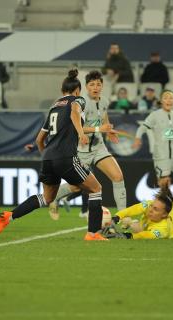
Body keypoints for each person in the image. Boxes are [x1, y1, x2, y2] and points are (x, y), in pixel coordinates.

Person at [0, 69, 108, 241]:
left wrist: (47, 156)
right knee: (96, 188)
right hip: (65, 157)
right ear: (77, 90)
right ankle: (93, 233)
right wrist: (81, 133)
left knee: (47, 198)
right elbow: (74, 113)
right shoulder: (78, 100)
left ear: (62, 92)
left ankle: (9, 216)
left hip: (48, 158)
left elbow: (40, 139)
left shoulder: (54, 107)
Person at [48, 70, 126, 220]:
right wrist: (95, 130)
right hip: (81, 152)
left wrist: (107, 129)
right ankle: (55, 197)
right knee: (77, 187)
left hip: (99, 148)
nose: (95, 87)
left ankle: (123, 218)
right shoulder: (81, 103)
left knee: (118, 177)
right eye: (92, 84)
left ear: (102, 86)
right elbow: (74, 123)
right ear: (86, 87)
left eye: (98, 84)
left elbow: (103, 117)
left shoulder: (104, 101)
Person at [133, 90, 173, 203]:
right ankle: (159, 212)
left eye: (171, 98)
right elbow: (142, 127)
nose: (169, 100)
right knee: (165, 190)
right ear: (161, 101)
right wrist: (138, 138)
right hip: (161, 157)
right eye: (166, 98)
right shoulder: (155, 115)